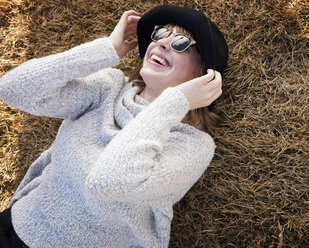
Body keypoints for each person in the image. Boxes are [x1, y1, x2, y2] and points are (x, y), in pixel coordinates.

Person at [0, 5, 228, 248]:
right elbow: (13, 89)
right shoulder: (107, 88)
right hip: (14, 225)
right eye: (161, 34)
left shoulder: (192, 145)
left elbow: (106, 182)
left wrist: (175, 102)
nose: (162, 43)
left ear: (203, 75)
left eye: (182, 42)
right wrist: (105, 50)